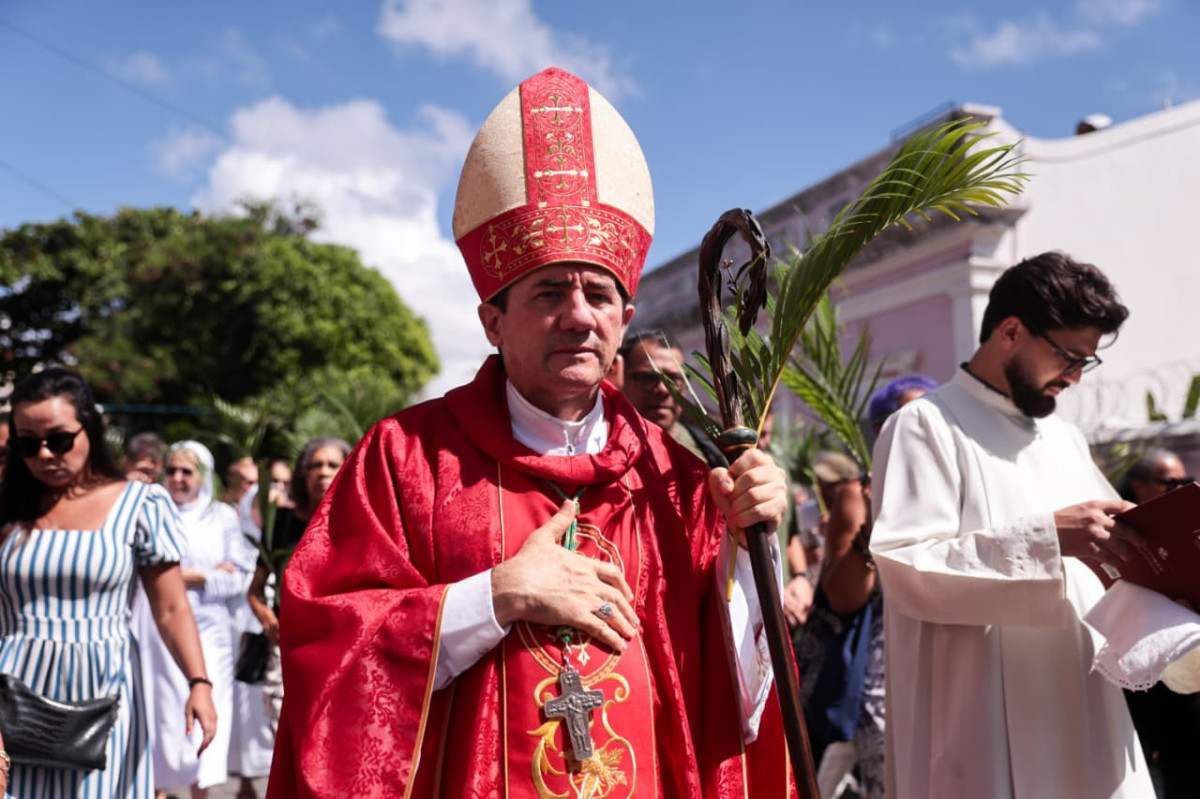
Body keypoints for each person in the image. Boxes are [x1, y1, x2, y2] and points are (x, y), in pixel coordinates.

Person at [266, 67, 792, 797]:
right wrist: (494, 596)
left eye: (599, 294)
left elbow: (729, 707)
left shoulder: (675, 480)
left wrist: (749, 553)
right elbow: (326, 646)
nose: (579, 314)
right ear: (492, 321)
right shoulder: (406, 460)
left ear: (624, 323)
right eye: (550, 291)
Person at [869, 251, 1155, 797]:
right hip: (979, 721)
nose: (1074, 377)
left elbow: (1118, 558)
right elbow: (904, 566)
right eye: (1069, 356)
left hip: (1082, 708)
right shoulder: (925, 426)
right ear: (1010, 331)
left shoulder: (1066, 440)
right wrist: (1047, 539)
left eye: (1085, 362)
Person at [0, 367, 216, 798]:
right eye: (28, 443)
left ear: (89, 430)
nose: (44, 454)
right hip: (11, 699)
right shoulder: (6, 509)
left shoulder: (139, 504)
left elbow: (171, 608)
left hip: (104, 699)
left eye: (59, 439)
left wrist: (199, 683)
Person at [140, 441, 251, 798]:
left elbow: (239, 574)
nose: (177, 479)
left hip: (210, 634)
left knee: (204, 710)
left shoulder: (221, 517)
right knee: (162, 713)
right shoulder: (152, 512)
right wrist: (200, 573)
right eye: (171, 471)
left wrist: (192, 577)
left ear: (202, 476)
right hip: (159, 631)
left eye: (186, 472)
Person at [245, 437, 350, 729]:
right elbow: (255, 589)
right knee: (287, 730)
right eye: (315, 465)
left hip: (342, 643)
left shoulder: (358, 522)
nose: (324, 472)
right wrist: (266, 616)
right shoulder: (282, 523)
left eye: (332, 464)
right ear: (303, 474)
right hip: (290, 645)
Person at [1119, 448, 1199, 797]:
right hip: (1159, 694)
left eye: (1185, 481)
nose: (1180, 489)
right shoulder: (1121, 536)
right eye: (1170, 483)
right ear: (1138, 485)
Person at [620, 330, 723, 464]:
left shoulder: (712, 451)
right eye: (648, 378)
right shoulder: (601, 450)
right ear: (621, 379)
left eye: (674, 379)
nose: (663, 389)